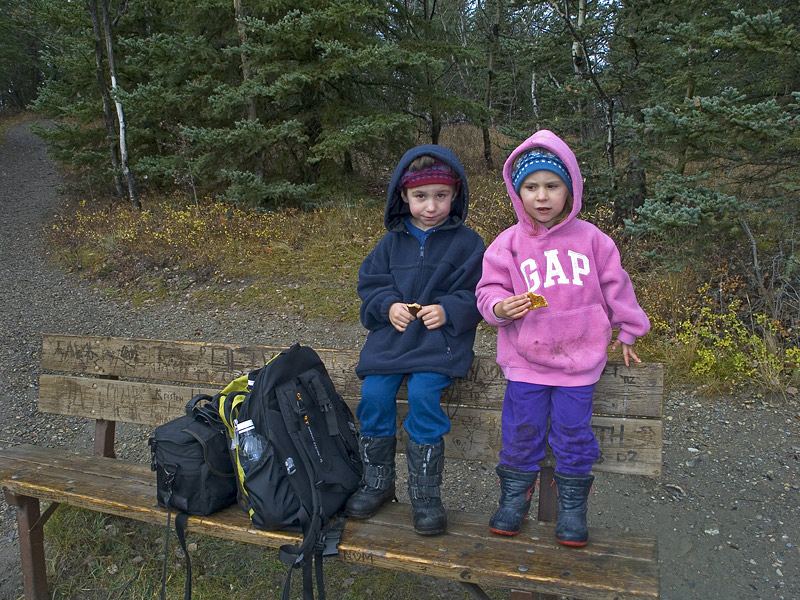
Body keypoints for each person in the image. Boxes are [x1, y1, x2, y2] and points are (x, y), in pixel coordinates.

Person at [475, 130, 650, 546]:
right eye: (530, 187)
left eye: (552, 185)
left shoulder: (593, 240)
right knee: (521, 431)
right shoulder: (508, 243)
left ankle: (573, 507)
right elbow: (487, 289)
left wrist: (630, 328)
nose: (542, 196)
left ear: (570, 188)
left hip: (579, 361)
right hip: (526, 363)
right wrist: (500, 307)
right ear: (517, 194)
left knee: (574, 433)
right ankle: (514, 497)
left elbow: (616, 286)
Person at [345, 145, 485, 536]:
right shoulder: (390, 244)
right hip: (392, 342)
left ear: (455, 194)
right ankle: (377, 482)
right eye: (421, 196)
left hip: (437, 346)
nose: (431, 206)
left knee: (424, 397)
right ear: (403, 197)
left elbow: (481, 292)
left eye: (441, 195)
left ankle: (425, 495)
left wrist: (452, 310)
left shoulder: (468, 244)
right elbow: (369, 286)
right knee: (373, 396)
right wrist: (388, 306)